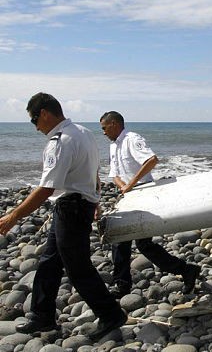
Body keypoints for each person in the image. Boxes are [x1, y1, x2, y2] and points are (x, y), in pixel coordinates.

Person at [0, 93, 126, 340]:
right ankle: (42, 316)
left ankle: (111, 313)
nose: (35, 127)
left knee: (78, 267)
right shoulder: (84, 133)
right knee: (50, 262)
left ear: (45, 113)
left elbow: (47, 188)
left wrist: (13, 216)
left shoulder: (60, 140)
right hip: (76, 206)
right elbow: (93, 173)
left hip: (72, 208)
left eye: (34, 120)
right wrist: (95, 200)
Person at [99, 111, 200, 298]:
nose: (103, 132)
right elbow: (114, 174)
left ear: (114, 124)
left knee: (143, 244)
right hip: (129, 196)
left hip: (144, 192)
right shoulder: (114, 146)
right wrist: (123, 186)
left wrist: (131, 184)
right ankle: (122, 286)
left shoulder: (131, 139)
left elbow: (151, 160)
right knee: (121, 240)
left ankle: (186, 270)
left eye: (104, 128)